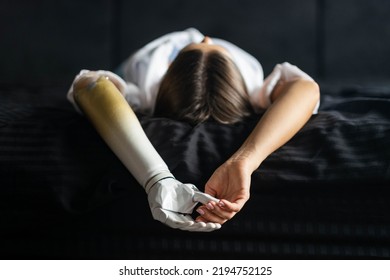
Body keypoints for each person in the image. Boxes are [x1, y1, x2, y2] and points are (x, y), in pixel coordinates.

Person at [68, 28, 320, 231]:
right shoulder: (150, 86)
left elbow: (90, 82)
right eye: (203, 46)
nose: (205, 36)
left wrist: (243, 162)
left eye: (210, 46)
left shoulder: (146, 93)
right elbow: (88, 84)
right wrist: (157, 178)